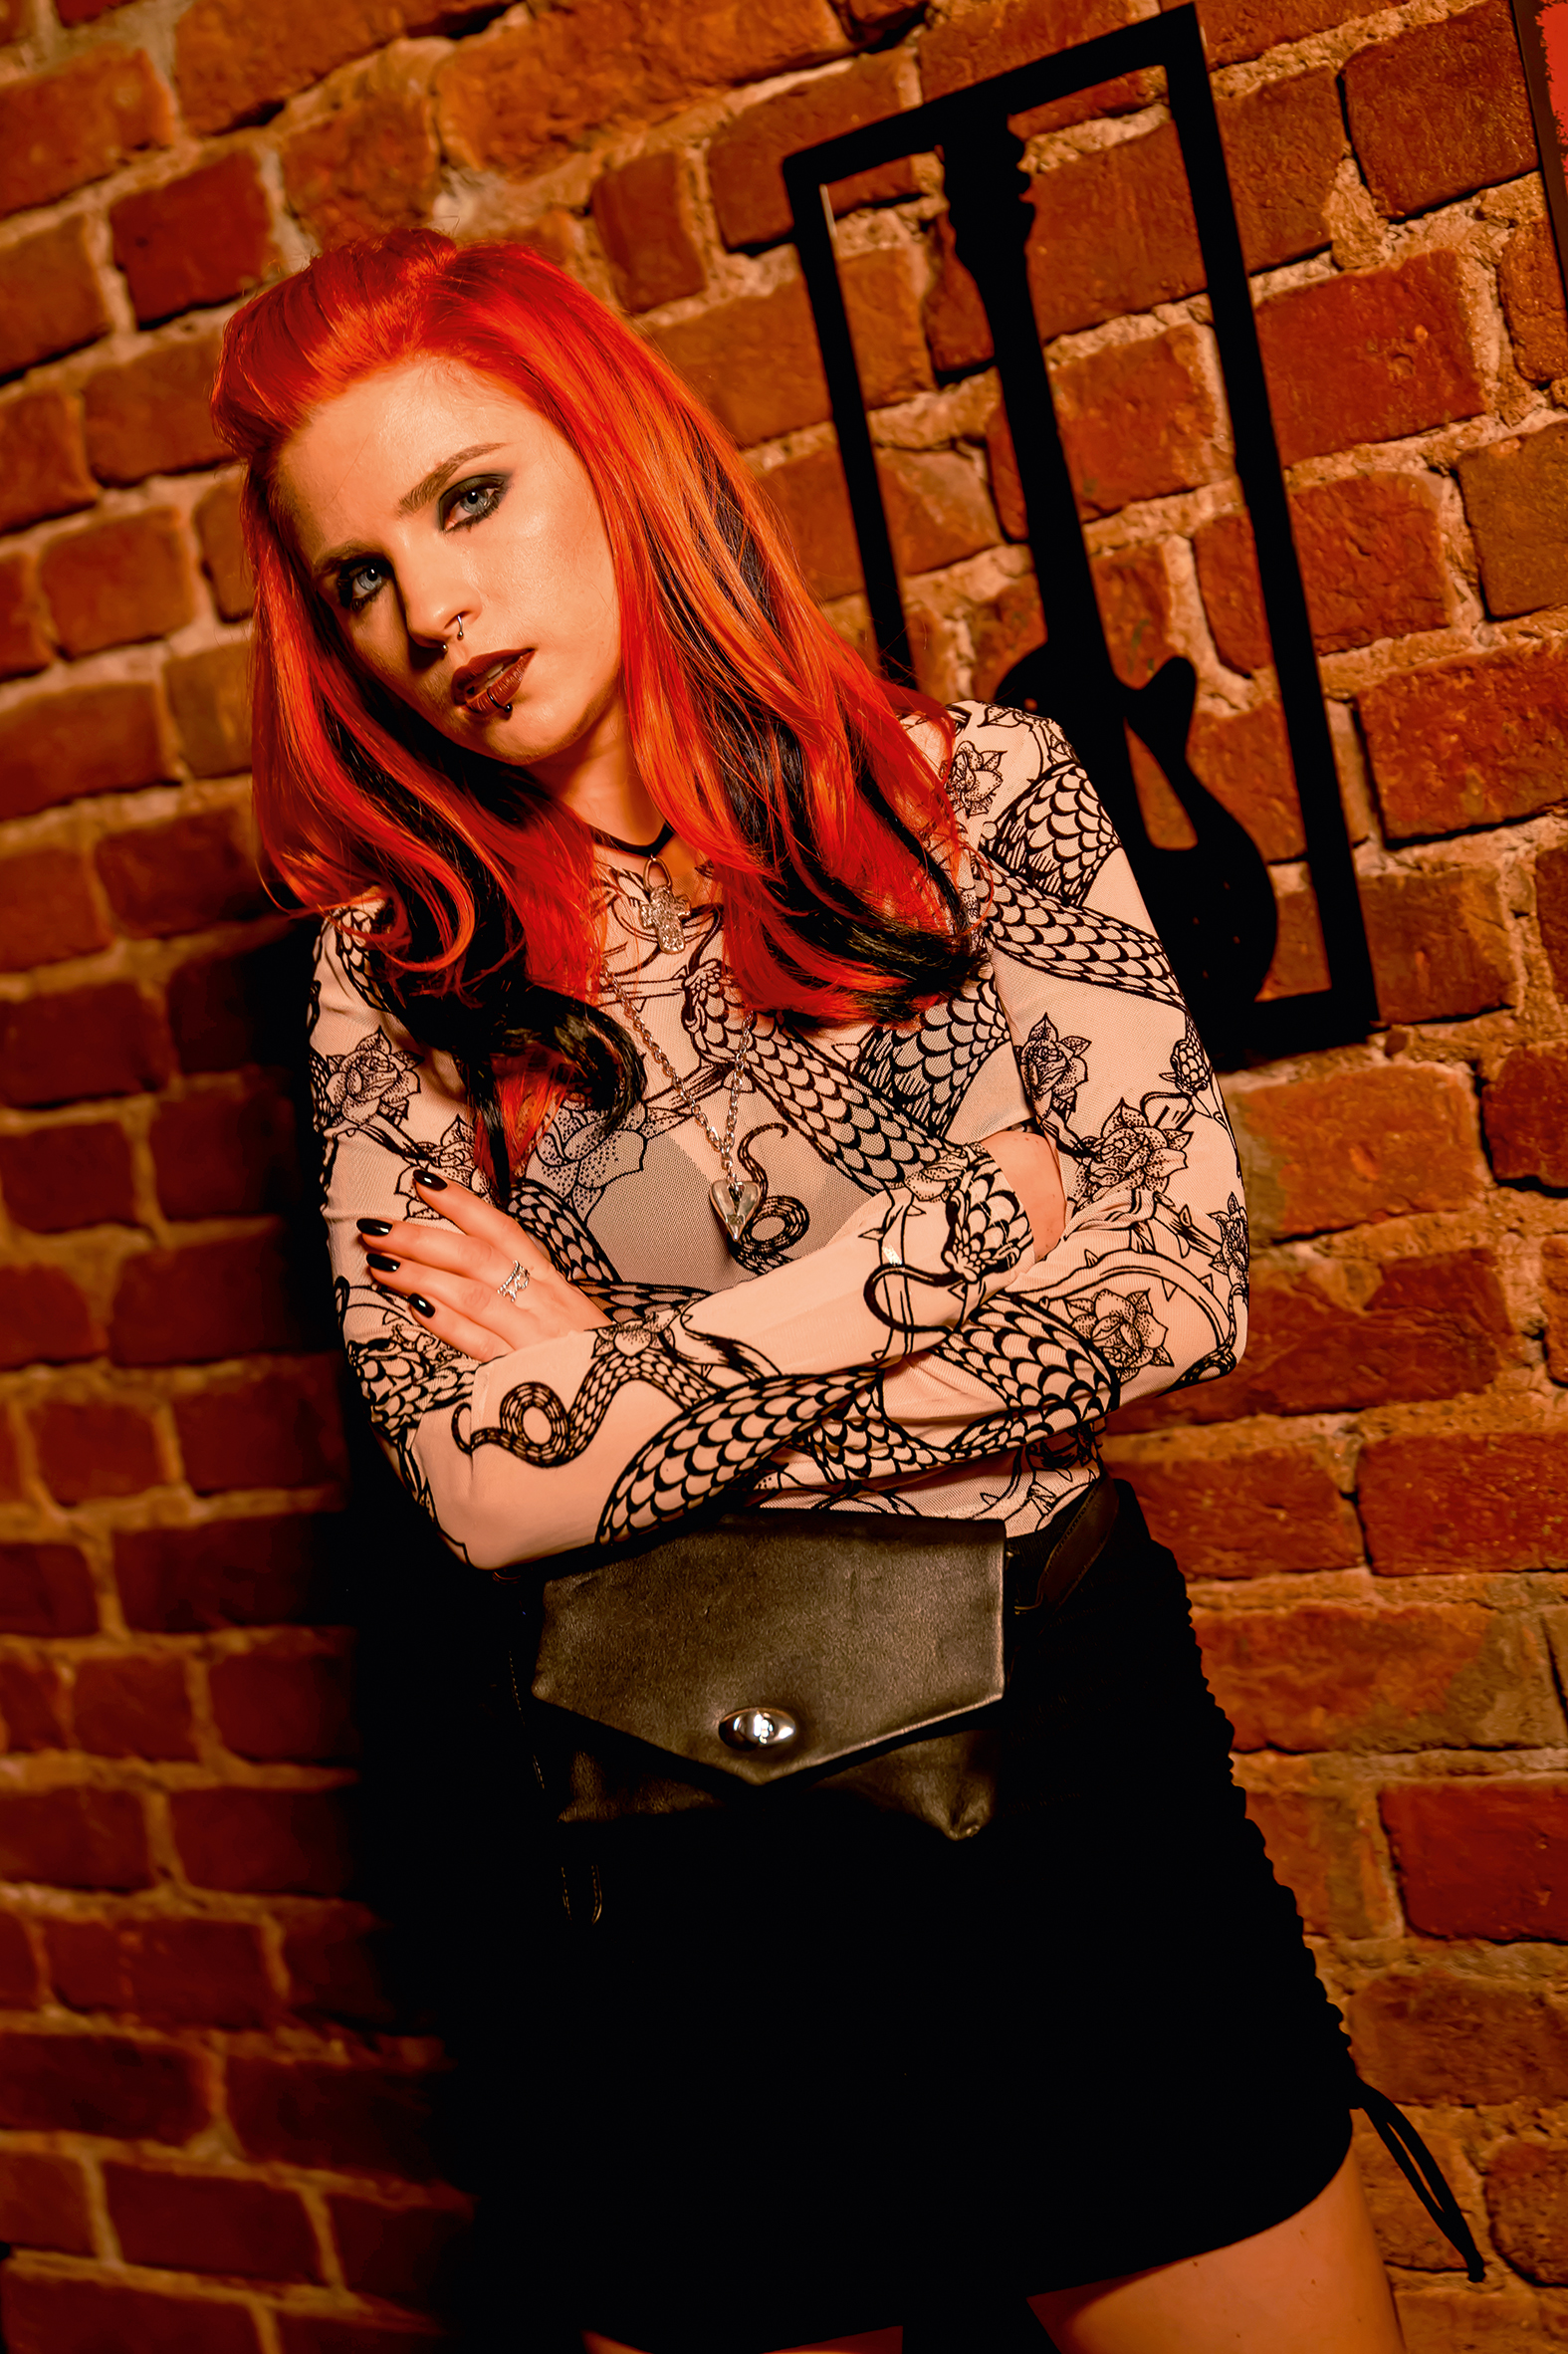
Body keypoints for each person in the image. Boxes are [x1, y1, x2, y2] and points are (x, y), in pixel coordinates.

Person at [212, 229, 1421, 2354]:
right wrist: (934, 1251)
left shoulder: (986, 798)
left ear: (614, 451)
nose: (434, 613)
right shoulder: (390, 981)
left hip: (1074, 1798)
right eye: (362, 579)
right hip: (689, 1865)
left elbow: (1176, 1287)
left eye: (469, 497)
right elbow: (482, 1489)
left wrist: (615, 1376)